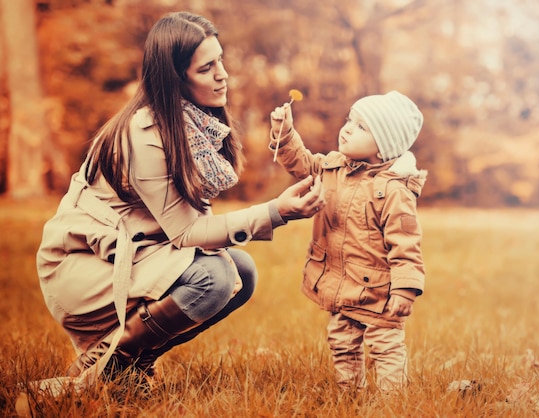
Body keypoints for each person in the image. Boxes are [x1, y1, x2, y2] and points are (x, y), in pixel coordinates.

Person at [35, 11, 324, 384]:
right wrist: (275, 212)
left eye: (220, 60)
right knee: (215, 277)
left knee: (242, 273)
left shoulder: (195, 125)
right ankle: (105, 366)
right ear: (175, 78)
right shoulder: (144, 135)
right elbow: (187, 233)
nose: (222, 74)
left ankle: (132, 366)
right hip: (85, 266)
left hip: (139, 253)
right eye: (206, 68)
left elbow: (194, 224)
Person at [269, 90, 427, 391]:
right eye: (350, 120)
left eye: (362, 127)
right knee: (342, 341)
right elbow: (302, 164)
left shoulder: (393, 190)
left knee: (385, 346)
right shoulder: (334, 168)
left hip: (379, 289)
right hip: (341, 281)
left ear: (383, 148)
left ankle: (392, 403)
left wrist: (405, 289)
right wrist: (284, 132)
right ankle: (349, 395)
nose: (348, 129)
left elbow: (406, 242)